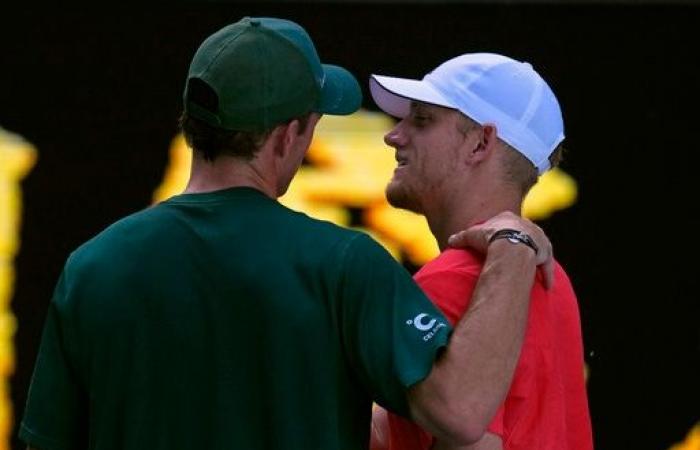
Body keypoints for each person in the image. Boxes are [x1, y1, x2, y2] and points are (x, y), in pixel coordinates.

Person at [19, 18, 553, 450]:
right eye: (314, 122)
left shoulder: (92, 267)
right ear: (287, 135)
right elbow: (460, 415)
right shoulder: (343, 264)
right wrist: (513, 244)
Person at [368, 53, 593, 449]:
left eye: (421, 120)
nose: (394, 135)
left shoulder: (455, 277)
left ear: (480, 143)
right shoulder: (552, 279)